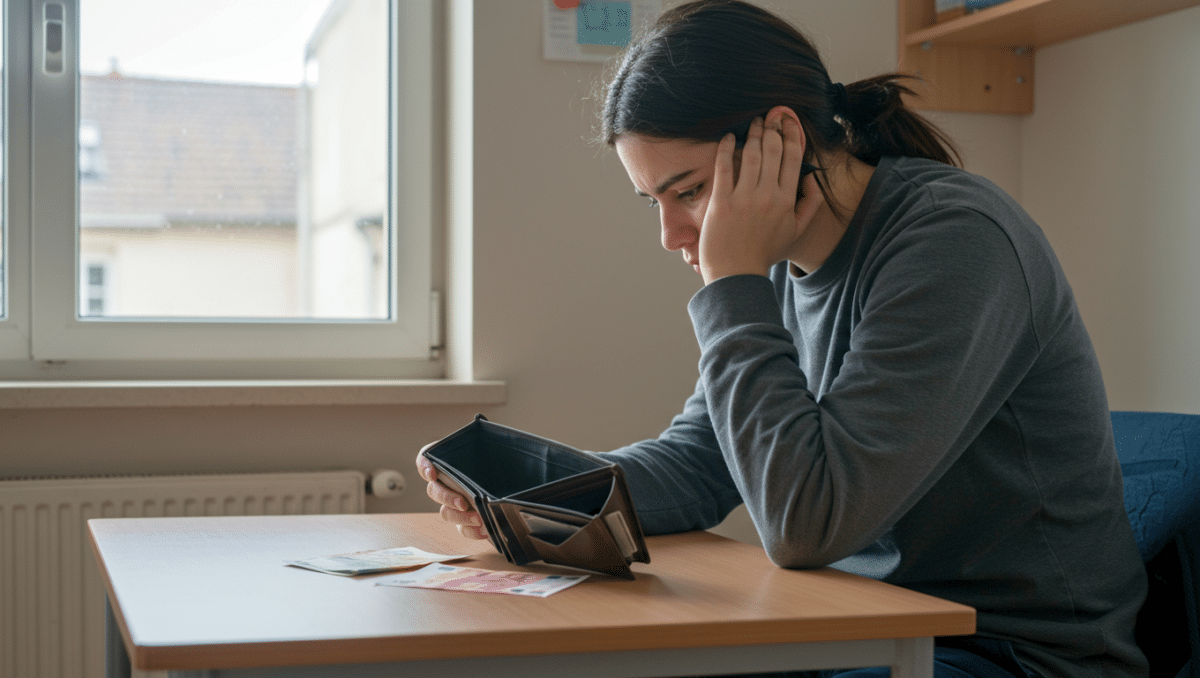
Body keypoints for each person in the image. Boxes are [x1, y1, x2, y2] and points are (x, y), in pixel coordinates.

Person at [417, 1, 1148, 676]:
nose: (671, 235)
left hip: (1009, 652)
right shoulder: (778, 266)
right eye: (653, 202)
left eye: (689, 191)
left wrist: (733, 284)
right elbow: (701, 463)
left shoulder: (956, 241)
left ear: (784, 141)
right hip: (862, 627)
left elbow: (807, 523)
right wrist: (525, 494)